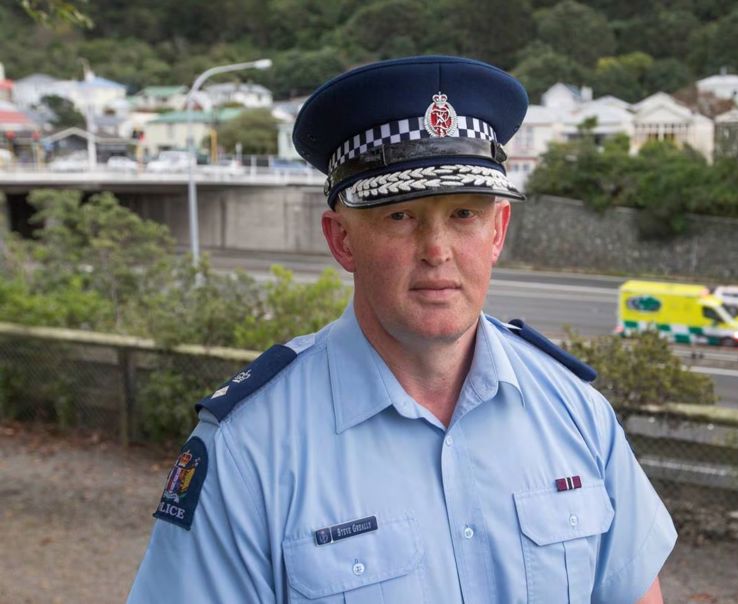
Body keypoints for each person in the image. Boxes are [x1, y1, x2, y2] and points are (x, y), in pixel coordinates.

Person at [128, 55, 676, 604]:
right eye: (400, 216)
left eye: (464, 215)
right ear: (342, 240)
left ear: (497, 231)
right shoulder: (248, 450)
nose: (437, 251)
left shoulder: (576, 412)